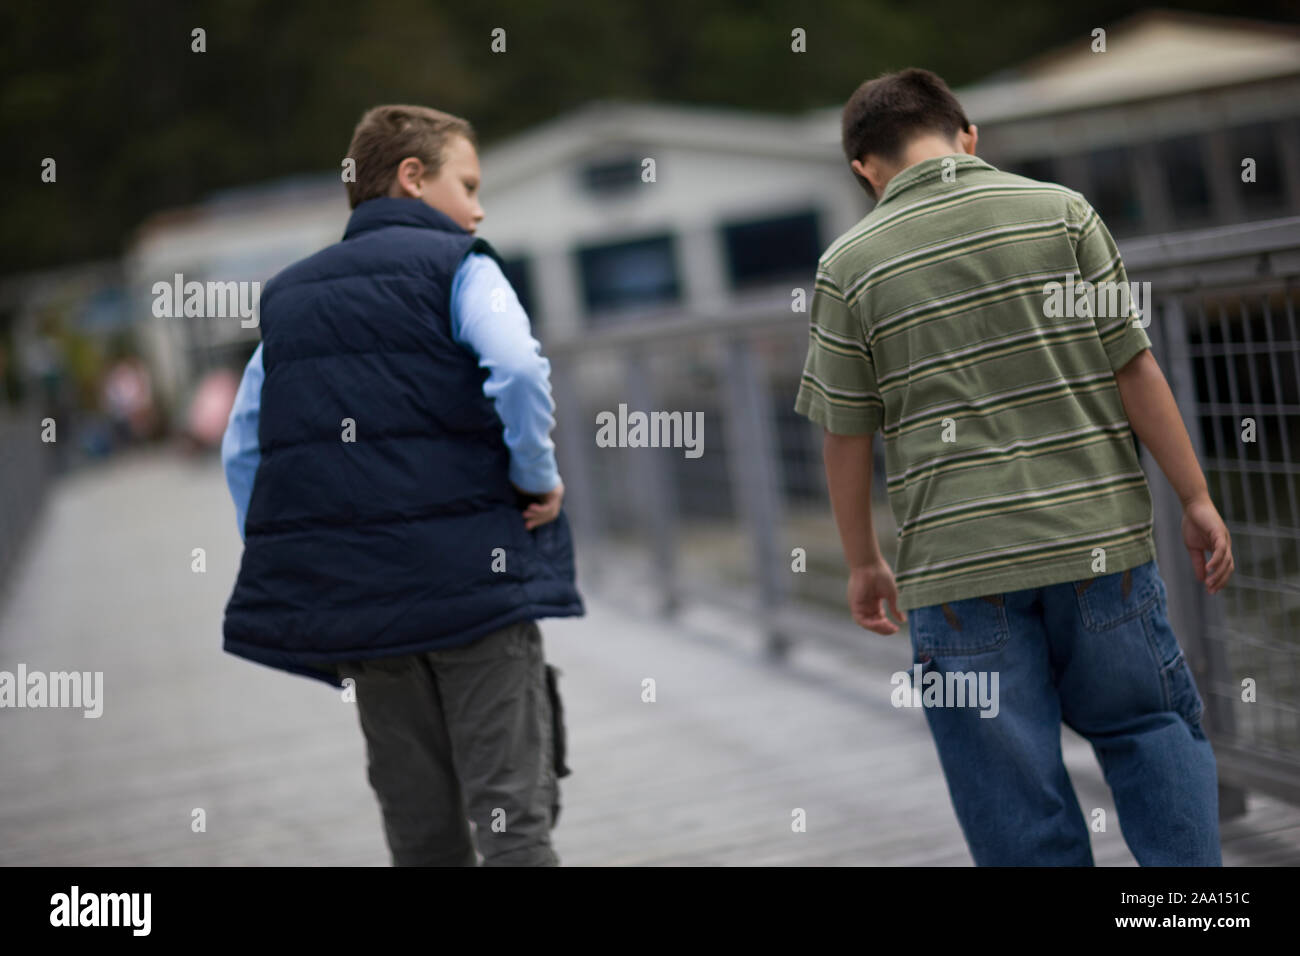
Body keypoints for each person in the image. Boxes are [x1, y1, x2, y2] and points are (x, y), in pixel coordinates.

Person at [794, 68, 1233, 866]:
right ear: (968, 135)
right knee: (1148, 728)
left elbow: (845, 432)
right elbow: (1134, 367)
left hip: (958, 577)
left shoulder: (847, 266)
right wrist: (1195, 496)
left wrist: (864, 560)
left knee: (1010, 789)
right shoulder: (1062, 214)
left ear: (865, 167)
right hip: (1097, 543)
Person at [220, 104, 584, 866]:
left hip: (367, 609)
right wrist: (536, 477)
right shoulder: (462, 265)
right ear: (414, 178)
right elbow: (516, 367)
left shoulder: (288, 297)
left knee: (421, 835)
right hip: (476, 589)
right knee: (512, 825)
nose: (480, 207)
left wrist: (312, 549)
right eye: (469, 183)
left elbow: (242, 448)